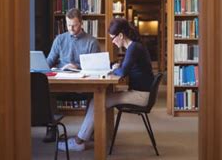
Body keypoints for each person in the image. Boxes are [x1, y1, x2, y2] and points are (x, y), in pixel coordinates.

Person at [58, 17, 154, 151]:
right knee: (101, 99)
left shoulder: (133, 48)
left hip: (140, 96)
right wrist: (116, 66)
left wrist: (116, 68)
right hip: (140, 92)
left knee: (97, 101)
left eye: (113, 38)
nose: (113, 42)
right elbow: (125, 67)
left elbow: (122, 72)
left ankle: (79, 141)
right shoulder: (134, 47)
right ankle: (95, 135)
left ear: (121, 35)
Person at [44, 8, 100, 142]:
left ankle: (90, 130)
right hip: (61, 79)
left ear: (81, 23)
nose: (71, 28)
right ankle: (52, 127)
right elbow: (49, 61)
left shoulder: (91, 42)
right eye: (68, 25)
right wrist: (48, 67)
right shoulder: (60, 39)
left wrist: (77, 67)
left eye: (74, 25)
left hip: (83, 83)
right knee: (46, 90)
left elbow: (97, 68)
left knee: (96, 94)